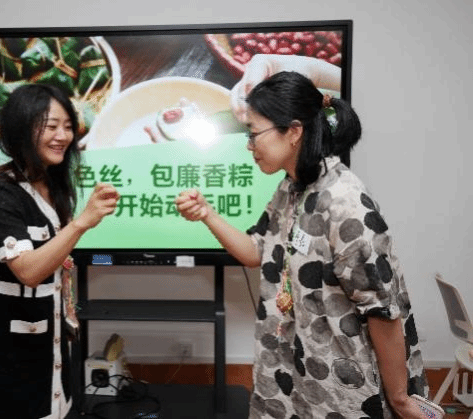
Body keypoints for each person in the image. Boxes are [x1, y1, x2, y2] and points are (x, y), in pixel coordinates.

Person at [175, 71, 428, 418]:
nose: (249, 146)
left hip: (341, 390)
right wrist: (207, 214)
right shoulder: (292, 188)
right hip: (290, 374)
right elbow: (255, 251)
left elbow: (382, 313)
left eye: (253, 134)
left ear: (293, 132)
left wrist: (399, 398)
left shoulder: (345, 204)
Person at [0, 84, 120, 419]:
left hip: (51, 336)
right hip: (6, 347)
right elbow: (29, 271)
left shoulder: (54, 184)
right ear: (22, 129)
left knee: (54, 407)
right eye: (51, 126)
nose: (62, 136)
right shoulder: (0, 192)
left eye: (68, 126)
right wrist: (81, 224)